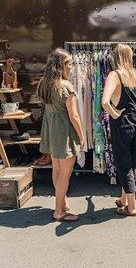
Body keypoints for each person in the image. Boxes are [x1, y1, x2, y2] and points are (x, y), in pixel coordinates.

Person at [102, 44, 136, 217]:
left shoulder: (115, 75)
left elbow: (105, 102)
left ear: (116, 56)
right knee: (131, 163)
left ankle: (132, 207)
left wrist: (114, 114)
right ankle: (123, 199)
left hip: (123, 125)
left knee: (123, 165)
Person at [38, 48, 83, 222]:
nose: (72, 67)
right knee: (65, 173)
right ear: (61, 66)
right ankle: (59, 212)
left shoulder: (44, 82)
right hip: (64, 132)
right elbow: (74, 116)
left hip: (51, 130)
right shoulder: (65, 86)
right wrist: (81, 136)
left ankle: (62, 203)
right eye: (69, 64)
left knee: (56, 170)